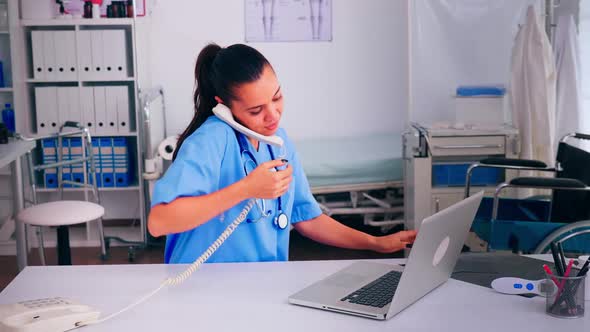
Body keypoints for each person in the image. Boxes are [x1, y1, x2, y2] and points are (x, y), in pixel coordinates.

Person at [148, 43, 417, 264]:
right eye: (256, 110)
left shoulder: (277, 141)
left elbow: (307, 218)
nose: (273, 115)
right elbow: (159, 222)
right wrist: (245, 189)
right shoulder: (211, 140)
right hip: (205, 295)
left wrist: (376, 243)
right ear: (223, 106)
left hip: (266, 286)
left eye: (277, 98)